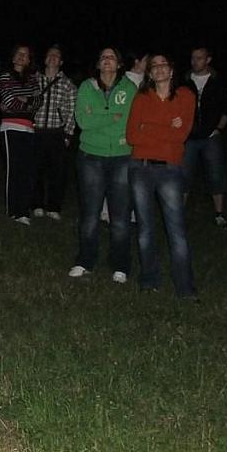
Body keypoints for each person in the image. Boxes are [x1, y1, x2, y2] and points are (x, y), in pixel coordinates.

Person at [126, 54, 197, 300]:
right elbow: (132, 135)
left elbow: (182, 135)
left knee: (176, 229)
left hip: (170, 169)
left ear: (171, 69)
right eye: (153, 66)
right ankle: (149, 281)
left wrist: (149, 128)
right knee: (145, 228)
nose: (158, 69)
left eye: (163, 64)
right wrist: (168, 125)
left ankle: (185, 287)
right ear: (149, 73)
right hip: (141, 168)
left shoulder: (185, 96)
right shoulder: (141, 97)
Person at [69, 47, 136, 282]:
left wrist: (98, 116)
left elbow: (129, 120)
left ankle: (120, 265)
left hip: (121, 156)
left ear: (119, 64)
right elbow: (83, 121)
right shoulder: (87, 87)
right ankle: (85, 261)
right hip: (91, 156)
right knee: (90, 214)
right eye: (103, 57)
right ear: (98, 64)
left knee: (120, 216)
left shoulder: (129, 88)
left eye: (112, 57)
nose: (107, 60)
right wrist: (112, 116)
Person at [182, 46, 227, 228]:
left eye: (199, 58)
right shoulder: (184, 80)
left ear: (208, 60)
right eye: (193, 58)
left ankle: (219, 213)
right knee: (184, 174)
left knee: (215, 172)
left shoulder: (218, 81)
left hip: (210, 136)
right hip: (189, 137)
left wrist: (219, 128)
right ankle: (179, 212)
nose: (195, 61)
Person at [31, 44, 77, 221]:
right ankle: (37, 204)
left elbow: (72, 111)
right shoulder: (33, 80)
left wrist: (68, 135)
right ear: (45, 59)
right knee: (36, 170)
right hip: (36, 130)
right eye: (50, 55)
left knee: (58, 172)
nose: (52, 58)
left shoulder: (68, 84)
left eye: (56, 56)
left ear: (61, 62)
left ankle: (53, 206)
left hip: (57, 133)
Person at [0, 44, 41, 224]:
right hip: (10, 128)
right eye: (19, 53)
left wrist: (24, 101)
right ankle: (13, 211)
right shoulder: (5, 76)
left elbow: (38, 101)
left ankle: (23, 209)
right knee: (14, 170)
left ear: (29, 60)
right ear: (13, 57)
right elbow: (9, 100)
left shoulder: (32, 79)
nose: (22, 56)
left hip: (29, 128)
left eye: (26, 54)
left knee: (27, 170)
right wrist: (26, 102)